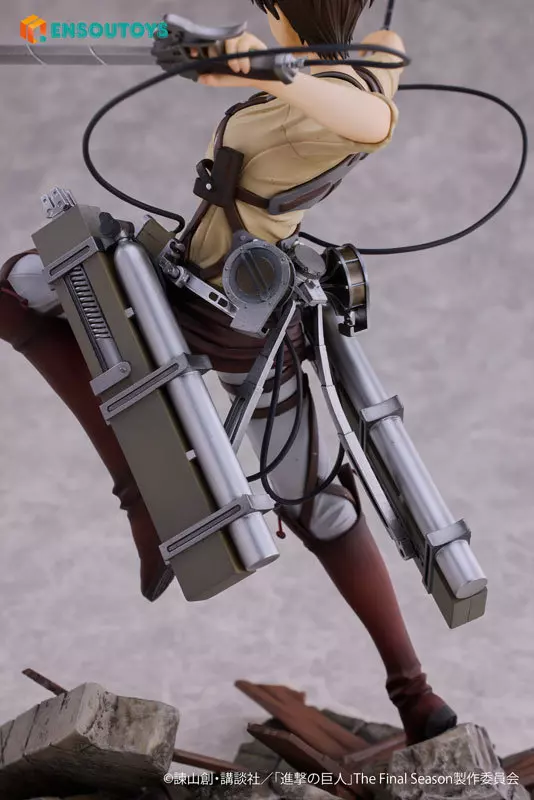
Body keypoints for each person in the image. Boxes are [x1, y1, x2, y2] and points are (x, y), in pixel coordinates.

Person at [0, 0, 457, 744]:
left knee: (18, 289)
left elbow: (372, 122)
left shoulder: (341, 98)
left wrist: (267, 68)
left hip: (203, 304)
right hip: (235, 301)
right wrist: (234, 70)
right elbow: (383, 49)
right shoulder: (366, 60)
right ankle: (417, 694)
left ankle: (142, 497)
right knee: (318, 503)